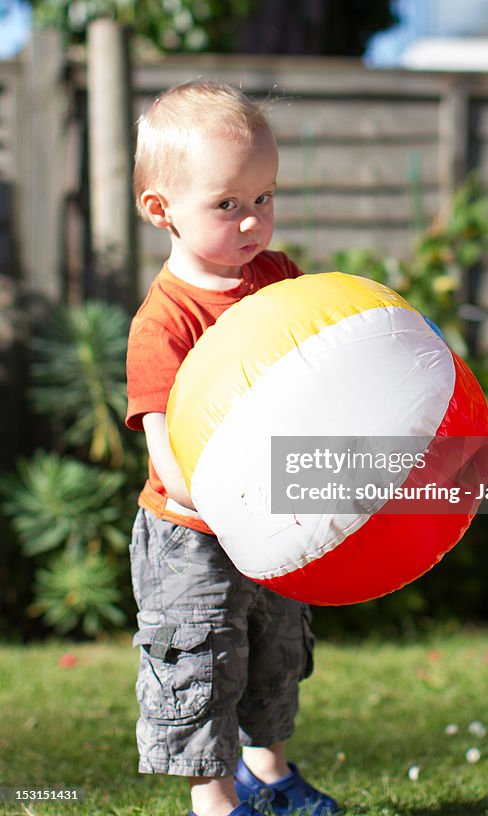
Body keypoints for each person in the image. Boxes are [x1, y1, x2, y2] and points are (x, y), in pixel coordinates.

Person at [125, 81, 339, 816]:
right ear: (161, 211)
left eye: (266, 197)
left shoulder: (278, 280)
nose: (254, 221)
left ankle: (267, 771)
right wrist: (231, 495)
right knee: (203, 662)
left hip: (274, 521)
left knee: (277, 657)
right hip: (193, 534)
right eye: (227, 204)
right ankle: (215, 802)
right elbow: (168, 462)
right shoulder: (165, 322)